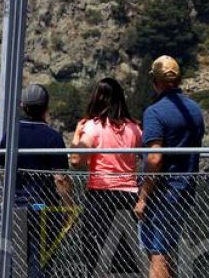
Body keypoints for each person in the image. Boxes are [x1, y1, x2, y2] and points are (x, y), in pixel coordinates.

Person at [135, 57, 204, 278]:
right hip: (185, 189)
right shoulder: (195, 111)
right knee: (165, 251)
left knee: (157, 254)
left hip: (161, 193)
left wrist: (143, 197)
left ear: (155, 81)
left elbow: (154, 158)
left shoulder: (154, 112)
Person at [0, 84, 73, 278]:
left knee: (16, 264)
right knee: (41, 263)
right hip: (43, 207)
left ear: (23, 106)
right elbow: (60, 178)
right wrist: (68, 206)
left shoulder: (10, 134)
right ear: (46, 107)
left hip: (15, 206)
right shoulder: (53, 137)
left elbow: (3, 171)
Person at [71, 78, 143, 277]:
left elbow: (76, 160)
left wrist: (77, 135)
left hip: (101, 196)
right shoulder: (134, 128)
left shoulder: (93, 127)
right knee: (125, 255)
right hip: (128, 196)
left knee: (95, 250)